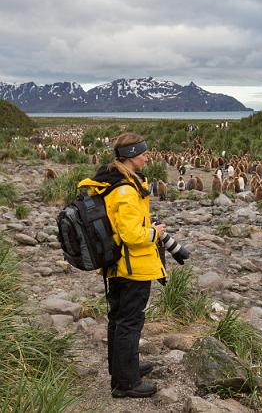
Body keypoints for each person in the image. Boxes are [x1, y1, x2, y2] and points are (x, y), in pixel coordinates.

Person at [78, 133, 165, 398]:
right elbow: (131, 235)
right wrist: (154, 233)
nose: (147, 157)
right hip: (132, 267)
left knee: (118, 319)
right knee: (129, 321)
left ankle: (124, 369)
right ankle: (126, 384)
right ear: (129, 156)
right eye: (143, 153)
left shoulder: (113, 182)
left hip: (116, 265)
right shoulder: (126, 190)